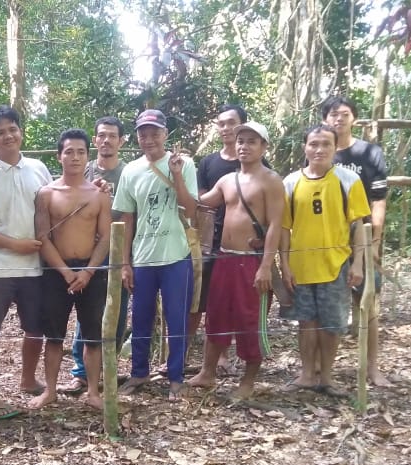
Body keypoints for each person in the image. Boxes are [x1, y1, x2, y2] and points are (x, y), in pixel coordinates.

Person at [187, 122, 284, 398]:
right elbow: (199, 204)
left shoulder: (271, 180)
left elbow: (275, 225)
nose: (244, 146)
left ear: (264, 147)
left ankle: (248, 381)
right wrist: (178, 179)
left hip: (251, 261)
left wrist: (266, 266)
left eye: (252, 141)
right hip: (224, 258)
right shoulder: (227, 180)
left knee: (249, 319)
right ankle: (207, 372)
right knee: (216, 314)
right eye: (241, 141)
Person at [0, 105, 51, 419]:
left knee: (35, 328)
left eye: (12, 129)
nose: (8, 136)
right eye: (0, 132)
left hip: (35, 267)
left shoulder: (38, 169)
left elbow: (55, 204)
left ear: (21, 132)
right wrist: (15, 245)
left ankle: (28, 379)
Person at [114, 109, 198, 401]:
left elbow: (190, 208)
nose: (149, 139)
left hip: (176, 255)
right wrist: (125, 262)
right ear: (137, 137)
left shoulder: (183, 164)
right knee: (140, 318)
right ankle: (139, 372)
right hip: (143, 257)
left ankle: (176, 377)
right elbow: (127, 217)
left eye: (154, 133)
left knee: (177, 319)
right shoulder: (130, 170)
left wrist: (177, 175)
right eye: (143, 134)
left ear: (165, 133)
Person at [281, 124, 370, 397]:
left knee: (332, 324)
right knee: (306, 322)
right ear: (305, 147)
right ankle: (307, 374)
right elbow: (284, 228)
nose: (319, 149)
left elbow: (358, 225)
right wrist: (284, 265)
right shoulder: (290, 182)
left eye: (326, 144)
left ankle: (327, 378)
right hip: (301, 267)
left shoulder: (348, 180)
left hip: (336, 264)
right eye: (314, 144)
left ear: (335, 147)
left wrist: (357, 263)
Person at [34, 129, 112, 409]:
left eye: (80, 152)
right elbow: (42, 237)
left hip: (91, 272)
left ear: (87, 156)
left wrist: (88, 272)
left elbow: (106, 236)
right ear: (59, 156)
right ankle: (50, 390)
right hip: (57, 273)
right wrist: (66, 272)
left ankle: (93, 392)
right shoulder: (46, 194)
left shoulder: (99, 195)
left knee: (93, 336)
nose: (75, 157)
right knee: (54, 336)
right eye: (69, 152)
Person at [322, 95, 392, 387]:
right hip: (327, 239)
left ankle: (371, 367)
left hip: (361, 235)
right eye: (333, 114)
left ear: (354, 118)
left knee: (367, 303)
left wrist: (374, 241)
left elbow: (379, 199)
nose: (338, 119)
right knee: (327, 305)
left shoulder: (369, 152)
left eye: (344, 114)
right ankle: (322, 371)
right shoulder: (320, 150)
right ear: (325, 119)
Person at [58, 116, 130, 396]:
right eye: (102, 135)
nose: (107, 140)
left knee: (117, 313)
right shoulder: (82, 168)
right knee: (85, 316)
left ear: (121, 141)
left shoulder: (128, 173)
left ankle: (107, 371)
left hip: (117, 252)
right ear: (95, 139)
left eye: (112, 136)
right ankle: (81, 374)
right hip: (85, 255)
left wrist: (127, 260)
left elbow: (131, 214)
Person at [192, 104, 248, 376]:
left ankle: (224, 355)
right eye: (221, 123)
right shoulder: (208, 163)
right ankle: (184, 354)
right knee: (199, 300)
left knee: (231, 302)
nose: (226, 128)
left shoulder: (254, 162)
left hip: (241, 245)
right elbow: (202, 202)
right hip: (208, 242)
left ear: (242, 125)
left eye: (231, 122)